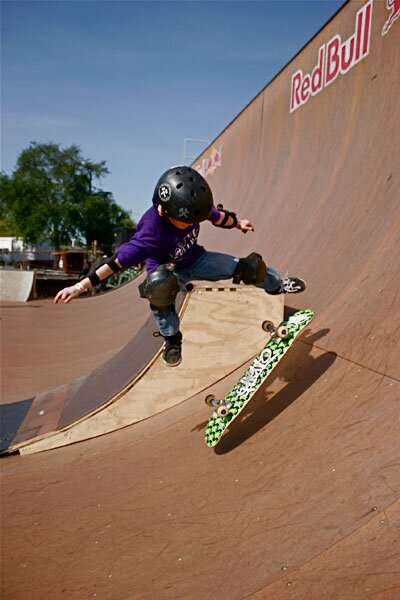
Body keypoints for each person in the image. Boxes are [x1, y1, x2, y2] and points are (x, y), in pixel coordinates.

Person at [55, 166, 306, 367]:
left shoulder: (191, 207)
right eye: (185, 222)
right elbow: (113, 264)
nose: (190, 225)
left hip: (194, 259)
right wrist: (80, 286)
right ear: (165, 210)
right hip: (166, 271)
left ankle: (276, 285)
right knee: (158, 287)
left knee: (250, 268)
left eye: (193, 221)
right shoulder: (149, 233)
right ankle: (172, 339)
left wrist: (239, 223)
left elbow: (218, 217)